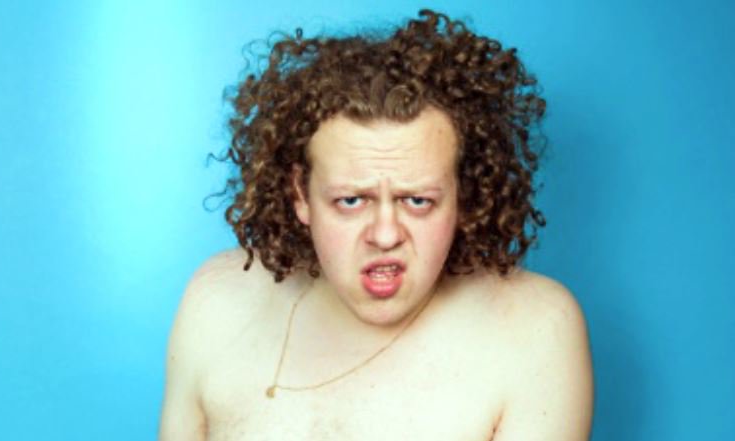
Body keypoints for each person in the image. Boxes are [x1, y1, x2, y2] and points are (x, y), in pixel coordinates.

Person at [159, 9, 593, 440]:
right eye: (351, 201)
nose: (385, 236)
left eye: (418, 201)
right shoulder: (216, 302)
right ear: (300, 194)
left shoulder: (533, 331)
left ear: (463, 196)